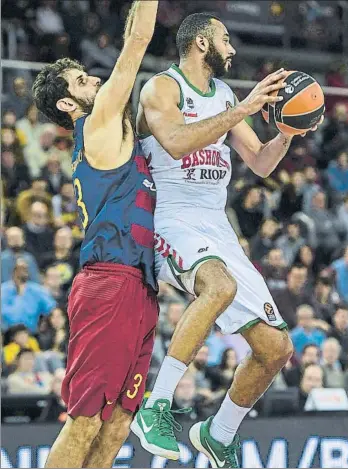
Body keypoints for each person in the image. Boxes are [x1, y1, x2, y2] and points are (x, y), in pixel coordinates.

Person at [133, 12, 322, 467]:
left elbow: (259, 162)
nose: (232, 48)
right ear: (201, 43)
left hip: (216, 225)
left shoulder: (222, 94)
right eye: (225, 38)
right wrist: (242, 109)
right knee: (220, 287)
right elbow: (176, 142)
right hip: (171, 219)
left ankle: (218, 434)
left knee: (277, 348)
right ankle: (156, 404)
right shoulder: (162, 88)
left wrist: (286, 132)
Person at [31, 2, 159, 468]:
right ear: (68, 103)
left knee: (120, 418)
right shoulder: (100, 123)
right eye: (83, 81)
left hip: (138, 284)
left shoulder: (115, 128)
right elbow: (138, 40)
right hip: (109, 282)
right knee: (86, 419)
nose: (96, 81)